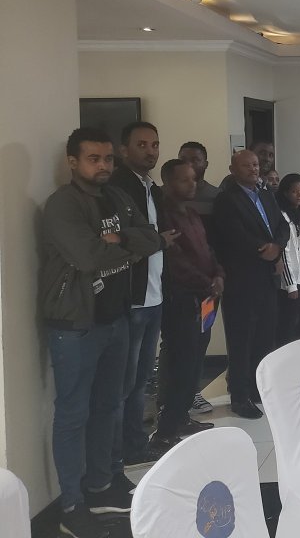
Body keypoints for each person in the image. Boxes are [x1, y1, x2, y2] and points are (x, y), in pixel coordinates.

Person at [41, 128, 164, 536]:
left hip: (116, 317)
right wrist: (127, 247)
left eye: (108, 158)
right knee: (73, 414)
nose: (103, 165)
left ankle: (102, 485)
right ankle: (71, 505)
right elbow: (88, 256)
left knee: (109, 405)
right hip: (76, 324)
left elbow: (152, 238)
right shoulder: (63, 204)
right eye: (93, 158)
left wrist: (121, 238)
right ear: (72, 161)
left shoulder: (117, 196)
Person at [109, 121, 174, 467]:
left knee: (140, 380)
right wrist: (154, 239)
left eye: (155, 144)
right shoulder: (118, 187)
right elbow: (132, 239)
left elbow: (155, 237)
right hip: (132, 298)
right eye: (142, 144)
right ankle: (120, 452)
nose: (151, 151)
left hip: (154, 294)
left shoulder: (151, 187)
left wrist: (153, 239)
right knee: (125, 383)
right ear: (124, 150)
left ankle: (135, 445)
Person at [213, 149, 290, 419]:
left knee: (264, 335)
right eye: (246, 165)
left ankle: (259, 389)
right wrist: (264, 249)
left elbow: (282, 226)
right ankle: (240, 395)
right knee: (241, 338)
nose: (253, 169)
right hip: (241, 277)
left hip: (267, 276)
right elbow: (233, 235)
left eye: (256, 165)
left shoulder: (265, 194)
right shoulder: (226, 199)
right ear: (233, 169)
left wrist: (277, 246)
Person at [153, 159, 223, 452]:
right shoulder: (165, 216)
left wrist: (218, 274)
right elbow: (176, 263)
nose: (192, 184)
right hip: (182, 299)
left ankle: (182, 418)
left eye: (193, 179)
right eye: (184, 180)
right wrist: (207, 282)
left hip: (205, 299)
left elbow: (207, 251)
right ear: (168, 183)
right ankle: (165, 431)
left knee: (195, 361)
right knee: (181, 364)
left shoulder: (192, 214)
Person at [177, 140, 220, 415]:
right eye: (185, 159)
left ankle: (192, 391)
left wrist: (217, 275)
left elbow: (218, 242)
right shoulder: (168, 197)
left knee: (203, 335)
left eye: (196, 160)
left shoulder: (216, 196)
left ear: (206, 164)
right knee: (178, 342)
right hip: (180, 285)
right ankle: (172, 400)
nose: (191, 165)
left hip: (209, 285)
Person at [275, 173, 300, 345]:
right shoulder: (284, 217)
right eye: (294, 191)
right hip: (293, 282)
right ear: (285, 193)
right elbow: (286, 252)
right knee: (288, 327)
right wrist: (291, 285)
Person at [178, 141, 220, 223]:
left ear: (206, 164)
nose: (188, 164)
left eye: (195, 160)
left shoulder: (218, 196)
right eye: (183, 160)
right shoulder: (163, 193)